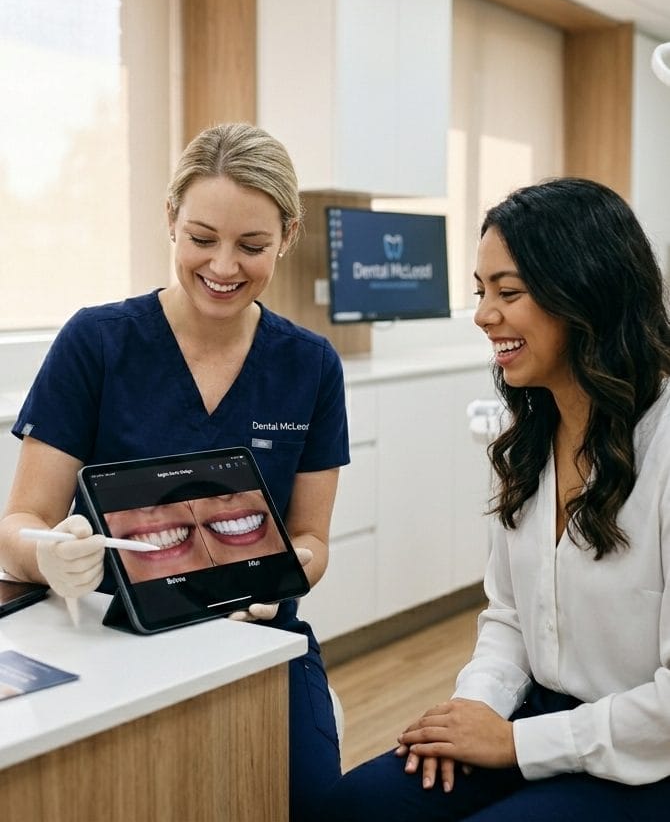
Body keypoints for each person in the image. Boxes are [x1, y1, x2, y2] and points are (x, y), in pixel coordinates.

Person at [0, 122, 349, 822]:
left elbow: (313, 540)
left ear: (287, 235)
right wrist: (50, 556)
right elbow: (17, 526)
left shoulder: (309, 364)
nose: (223, 266)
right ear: (169, 221)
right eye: (201, 238)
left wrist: (275, 574)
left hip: (255, 640)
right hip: (107, 635)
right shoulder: (96, 344)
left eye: (252, 245)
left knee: (309, 804)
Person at [323, 177, 670, 821]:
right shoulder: (529, 443)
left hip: (647, 755)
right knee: (353, 806)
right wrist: (477, 709)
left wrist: (516, 744)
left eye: (508, 292)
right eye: (482, 291)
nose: (484, 315)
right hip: (537, 714)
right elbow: (508, 616)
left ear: (588, 292)